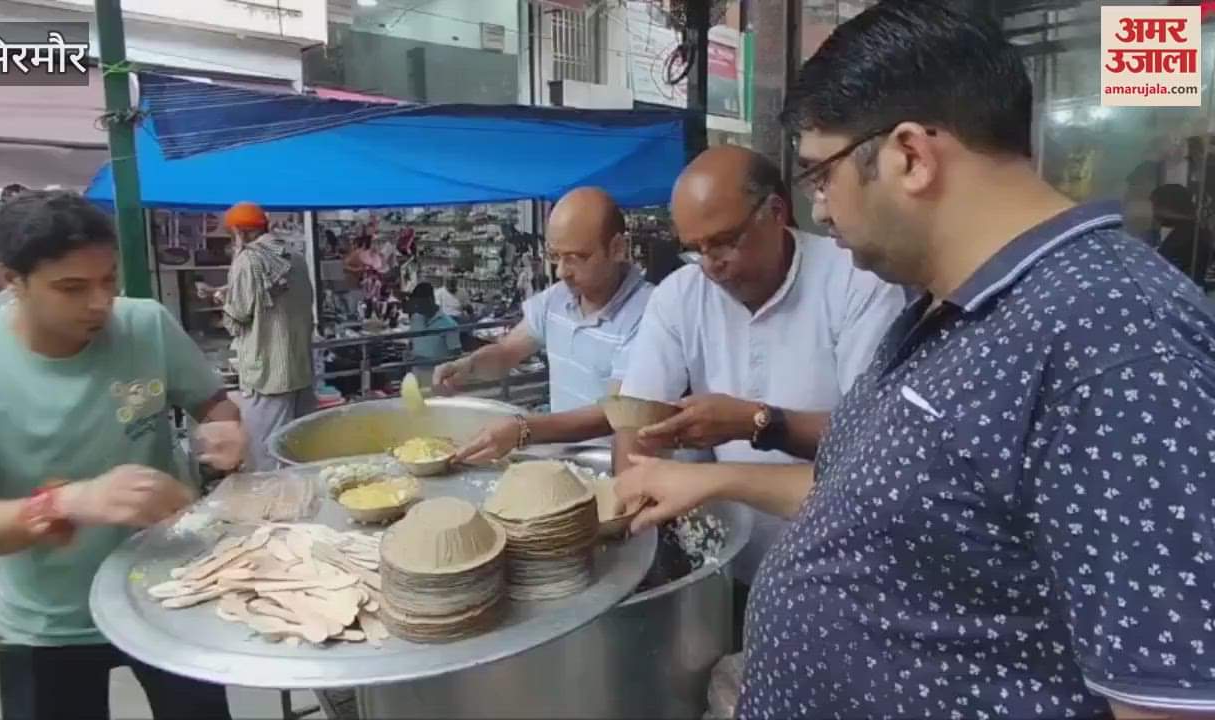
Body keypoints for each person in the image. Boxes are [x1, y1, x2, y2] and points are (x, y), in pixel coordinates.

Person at [616, 3, 1215, 718]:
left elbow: (1171, 700)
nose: (820, 211)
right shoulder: (949, 308)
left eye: (819, 176)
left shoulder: (1115, 342)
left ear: (909, 156)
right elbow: (880, 505)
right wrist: (709, 485)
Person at [0, 192, 245, 720]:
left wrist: (223, 431)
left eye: (109, 280)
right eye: (72, 289)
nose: (101, 303)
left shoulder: (146, 324)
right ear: (11, 280)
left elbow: (213, 405)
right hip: (47, 621)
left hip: (168, 592)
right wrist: (70, 501)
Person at [613, 145, 905, 618]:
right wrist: (633, 503)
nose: (711, 265)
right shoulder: (681, 296)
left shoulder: (855, 283)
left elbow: (875, 446)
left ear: (775, 211)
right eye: (695, 248)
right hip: (730, 561)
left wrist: (755, 422)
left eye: (725, 241)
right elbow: (637, 419)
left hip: (840, 567)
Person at [433, 187, 653, 462]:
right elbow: (506, 353)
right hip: (563, 461)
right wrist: (468, 366)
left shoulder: (649, 314)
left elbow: (614, 414)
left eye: (576, 257)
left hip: (615, 467)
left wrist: (523, 429)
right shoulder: (557, 298)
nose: (561, 272)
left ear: (617, 248)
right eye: (555, 256)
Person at [218, 202, 316, 471]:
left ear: (238, 232)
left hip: (267, 376)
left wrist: (222, 301)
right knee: (300, 451)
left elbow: (236, 320)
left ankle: (278, 509)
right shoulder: (295, 258)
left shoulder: (247, 260)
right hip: (299, 369)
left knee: (267, 457)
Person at [1150, 183, 1212, 288]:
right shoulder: (1193, 231)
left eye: (1156, 207)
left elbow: (1163, 269)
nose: (1154, 212)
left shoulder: (1186, 236)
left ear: (1170, 207)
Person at [407, 281, 461, 385]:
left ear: (430, 300)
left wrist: (429, 361)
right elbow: (411, 343)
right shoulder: (415, 318)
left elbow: (455, 356)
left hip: (437, 377)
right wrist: (409, 354)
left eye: (420, 304)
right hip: (416, 374)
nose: (417, 307)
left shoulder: (449, 325)